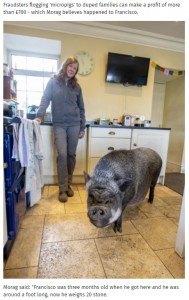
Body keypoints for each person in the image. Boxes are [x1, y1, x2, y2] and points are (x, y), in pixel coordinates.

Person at [35, 56, 86, 202]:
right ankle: (62, 188)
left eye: (75, 68)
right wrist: (40, 116)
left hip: (75, 124)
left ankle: (68, 184)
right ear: (65, 66)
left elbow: (82, 107)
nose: (72, 69)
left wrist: (82, 126)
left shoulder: (77, 87)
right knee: (62, 154)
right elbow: (45, 99)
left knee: (71, 155)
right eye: (70, 66)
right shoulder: (53, 82)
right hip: (59, 124)